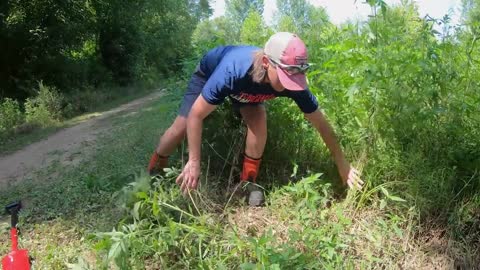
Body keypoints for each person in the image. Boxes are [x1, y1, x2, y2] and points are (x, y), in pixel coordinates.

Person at [148, 32, 364, 206]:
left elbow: (321, 124)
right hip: (212, 74)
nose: (290, 85)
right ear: (266, 62)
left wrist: (342, 162)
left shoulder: (292, 81)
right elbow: (197, 115)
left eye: (295, 78)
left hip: (250, 89)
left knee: (259, 121)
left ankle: (248, 183)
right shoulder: (233, 71)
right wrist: (194, 161)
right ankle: (155, 171)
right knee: (181, 126)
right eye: (285, 77)